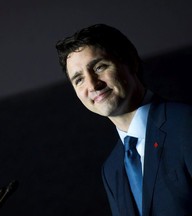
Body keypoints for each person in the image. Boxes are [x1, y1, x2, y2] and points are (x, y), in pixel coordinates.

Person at [55, 23, 192, 216]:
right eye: (79, 79)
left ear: (131, 62)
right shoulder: (112, 169)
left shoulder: (186, 125)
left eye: (99, 67)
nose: (92, 84)